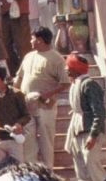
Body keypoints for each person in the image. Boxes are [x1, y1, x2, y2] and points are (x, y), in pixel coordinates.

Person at [64, 52, 106, 181]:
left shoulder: (89, 84)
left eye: (69, 67)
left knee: (93, 167)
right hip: (77, 130)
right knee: (81, 170)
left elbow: (98, 112)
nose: (66, 70)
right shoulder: (74, 85)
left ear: (76, 69)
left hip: (89, 132)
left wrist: (93, 135)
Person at [13, 26, 68, 167]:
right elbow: (18, 79)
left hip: (46, 106)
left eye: (33, 38)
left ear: (40, 40)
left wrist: (47, 95)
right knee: (28, 141)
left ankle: (48, 171)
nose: (30, 41)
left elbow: (65, 83)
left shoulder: (57, 58)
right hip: (27, 106)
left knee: (46, 140)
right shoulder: (28, 56)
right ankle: (32, 172)